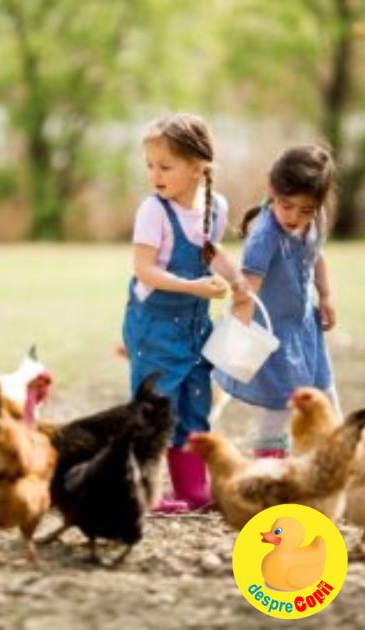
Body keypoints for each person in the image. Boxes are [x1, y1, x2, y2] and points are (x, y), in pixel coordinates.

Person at [123, 113, 249, 513]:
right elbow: (144, 270)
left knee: (196, 400)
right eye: (150, 166)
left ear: (199, 167)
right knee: (156, 409)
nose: (155, 175)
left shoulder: (216, 207)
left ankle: (191, 489)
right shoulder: (154, 211)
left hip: (195, 326)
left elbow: (210, 252)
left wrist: (237, 282)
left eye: (165, 166)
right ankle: (149, 491)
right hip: (154, 326)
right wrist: (196, 287)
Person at [215, 145, 341, 458]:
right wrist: (234, 339)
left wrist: (325, 295)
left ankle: (338, 462)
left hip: (304, 330)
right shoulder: (264, 238)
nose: (296, 217)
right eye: (287, 206)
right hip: (274, 339)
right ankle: (268, 471)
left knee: (326, 397)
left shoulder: (314, 220)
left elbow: (316, 256)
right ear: (272, 192)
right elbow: (247, 294)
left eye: (306, 209)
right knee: (280, 408)